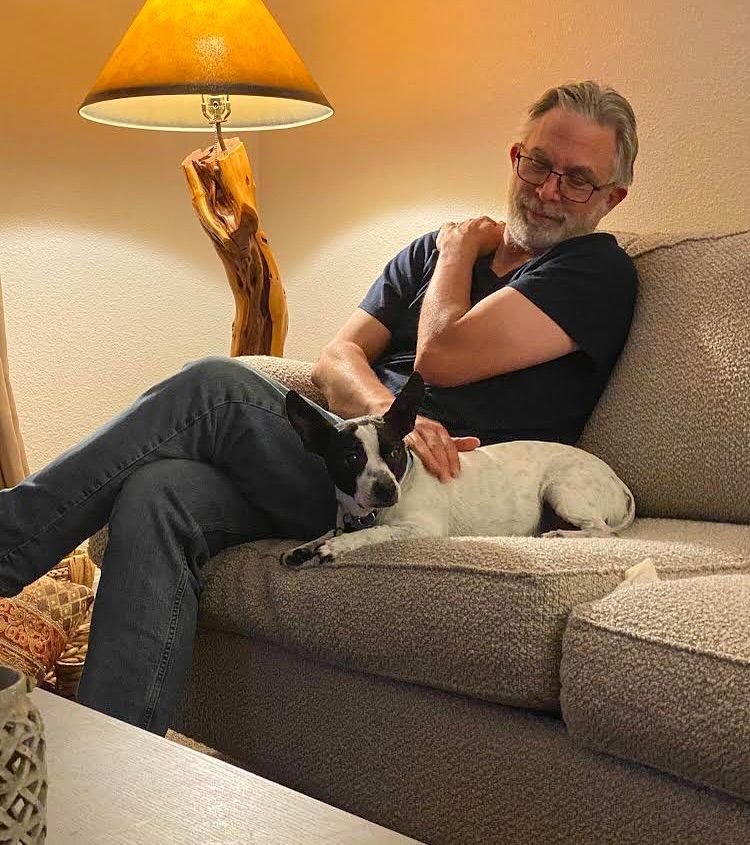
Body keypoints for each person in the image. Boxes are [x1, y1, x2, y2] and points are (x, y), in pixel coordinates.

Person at [0, 80, 638, 735]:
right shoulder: (428, 251)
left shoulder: (593, 273)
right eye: (538, 164)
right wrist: (388, 413)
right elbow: (336, 358)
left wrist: (456, 253)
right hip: (345, 463)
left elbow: (440, 355)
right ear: (514, 157)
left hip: (431, 490)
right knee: (159, 491)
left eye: (577, 180)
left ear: (611, 198)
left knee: (215, 387)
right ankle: (118, 765)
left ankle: (9, 541)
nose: (548, 190)